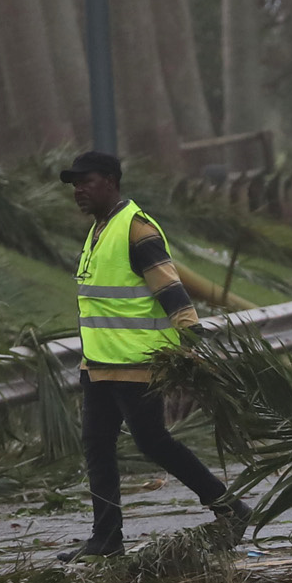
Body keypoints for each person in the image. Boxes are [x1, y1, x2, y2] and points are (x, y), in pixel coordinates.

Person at [60, 152, 250, 561]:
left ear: (110, 180)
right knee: (96, 445)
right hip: (98, 365)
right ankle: (106, 538)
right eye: (74, 184)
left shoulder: (135, 229)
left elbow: (170, 287)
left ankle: (230, 508)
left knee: (153, 442)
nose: (77, 190)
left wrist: (193, 338)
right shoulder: (99, 230)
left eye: (85, 182)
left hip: (138, 363)